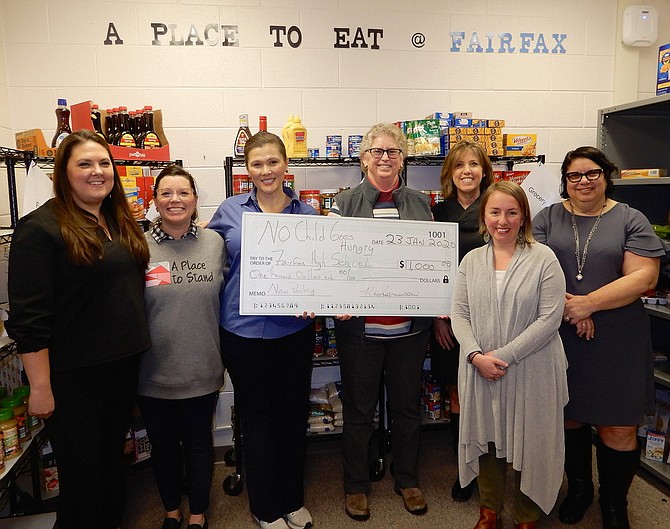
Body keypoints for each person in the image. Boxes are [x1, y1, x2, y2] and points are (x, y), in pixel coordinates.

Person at [6, 129, 151, 529]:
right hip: (73, 377)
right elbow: (28, 319)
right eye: (84, 164)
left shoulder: (117, 218)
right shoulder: (40, 229)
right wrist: (40, 387)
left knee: (109, 467)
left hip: (119, 368)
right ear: (64, 172)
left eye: (104, 163)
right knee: (83, 479)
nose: (97, 171)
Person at [532, 146, 664, 529]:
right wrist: (571, 309)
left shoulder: (629, 218)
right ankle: (578, 489)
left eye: (592, 173)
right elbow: (530, 269)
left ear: (606, 176)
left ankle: (613, 503)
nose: (583, 181)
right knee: (569, 418)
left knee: (618, 425)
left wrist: (589, 304)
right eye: (574, 176)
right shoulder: (547, 218)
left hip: (618, 337)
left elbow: (644, 277)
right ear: (565, 182)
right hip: (560, 333)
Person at [208, 131, 317, 529]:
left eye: (273, 162)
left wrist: (320, 300)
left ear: (286, 165)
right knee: (257, 420)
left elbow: (319, 276)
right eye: (257, 164)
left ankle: (292, 499)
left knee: (292, 415)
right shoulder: (229, 211)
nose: (266, 171)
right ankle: (265, 507)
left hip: (293, 333)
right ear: (247, 169)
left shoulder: (307, 217)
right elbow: (206, 253)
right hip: (242, 333)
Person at [328, 123, 433, 521]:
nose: (385, 157)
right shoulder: (343, 203)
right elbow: (333, 263)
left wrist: (437, 295)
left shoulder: (422, 204)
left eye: (393, 151)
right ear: (363, 158)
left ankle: (407, 479)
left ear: (403, 158)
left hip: (410, 328)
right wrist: (335, 297)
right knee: (359, 410)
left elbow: (431, 260)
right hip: (361, 330)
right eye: (377, 151)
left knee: (407, 408)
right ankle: (356, 486)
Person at [451, 181, 568, 529]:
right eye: (495, 212)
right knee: (487, 437)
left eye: (512, 212)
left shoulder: (544, 258)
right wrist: (475, 356)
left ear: (524, 217)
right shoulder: (471, 260)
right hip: (480, 366)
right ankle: (489, 513)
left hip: (532, 366)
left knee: (532, 441)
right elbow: (459, 313)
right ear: (483, 216)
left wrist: (503, 355)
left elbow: (550, 318)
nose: (503, 220)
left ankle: (526, 517)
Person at [137, 166, 226, 529]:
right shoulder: (137, 247)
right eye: (167, 193)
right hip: (153, 372)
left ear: (195, 200)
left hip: (202, 368)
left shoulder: (215, 244)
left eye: (183, 193)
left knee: (200, 444)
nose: (175, 200)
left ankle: (197, 514)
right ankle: (171, 511)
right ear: (154, 200)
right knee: (163, 447)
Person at [430, 140, 494, 501]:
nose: (467, 171)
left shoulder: (498, 208)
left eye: (474, 164)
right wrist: (440, 320)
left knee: (491, 392)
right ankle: (464, 469)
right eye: (459, 166)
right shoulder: (436, 214)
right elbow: (431, 273)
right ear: (450, 174)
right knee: (457, 392)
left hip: (494, 317)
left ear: (484, 170)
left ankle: (492, 468)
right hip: (451, 320)